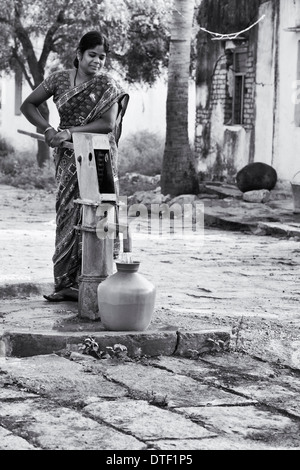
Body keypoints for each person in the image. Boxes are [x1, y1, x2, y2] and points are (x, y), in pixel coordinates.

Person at [20, 30, 129, 302]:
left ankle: (95, 280)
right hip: (69, 159)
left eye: (102, 57)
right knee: (68, 214)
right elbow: (28, 105)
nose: (97, 61)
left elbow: (107, 124)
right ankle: (66, 283)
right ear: (79, 54)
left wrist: (69, 132)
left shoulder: (108, 84)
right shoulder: (58, 79)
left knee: (97, 215)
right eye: (92, 55)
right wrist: (46, 129)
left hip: (100, 157)